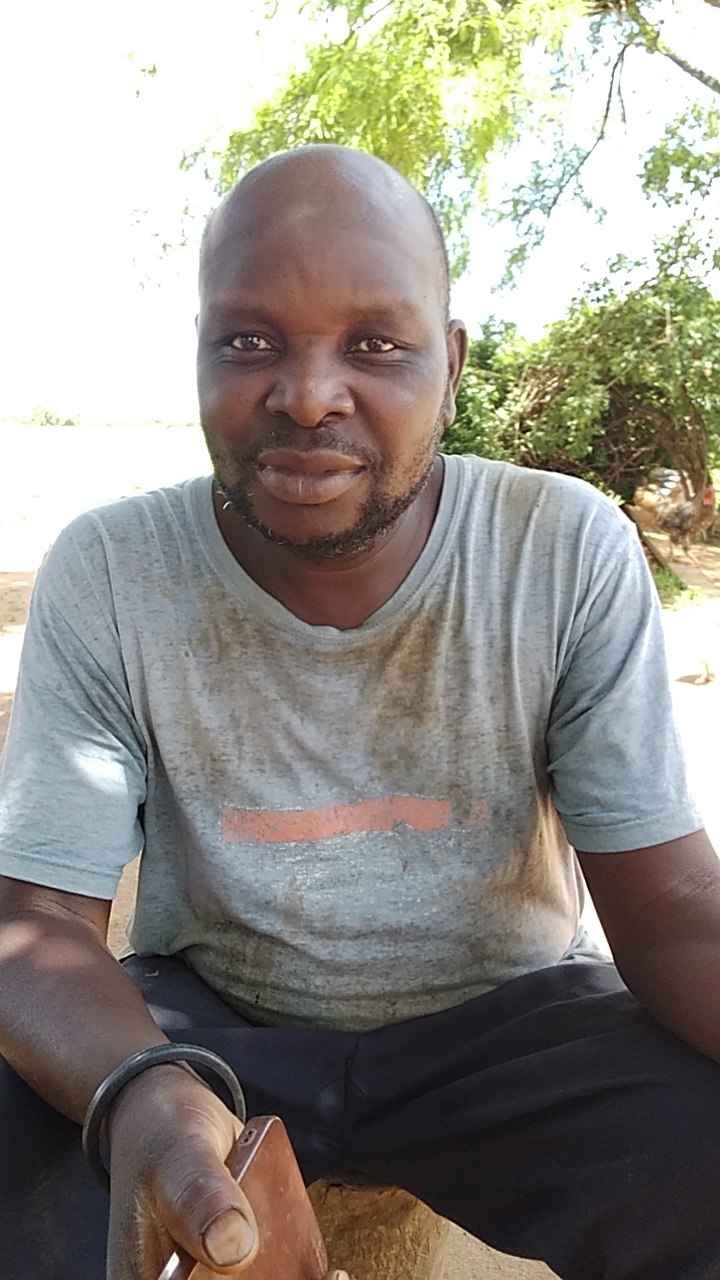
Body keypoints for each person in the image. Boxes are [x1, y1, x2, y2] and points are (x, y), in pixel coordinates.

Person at [1, 144, 720, 1280]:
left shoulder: (560, 549)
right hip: (211, 1025)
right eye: (249, 341)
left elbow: (673, 904)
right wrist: (139, 1088)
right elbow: (35, 922)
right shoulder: (112, 571)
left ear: (452, 365)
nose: (307, 395)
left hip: (517, 1028)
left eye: (376, 344)